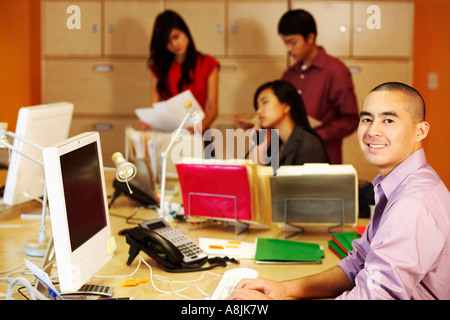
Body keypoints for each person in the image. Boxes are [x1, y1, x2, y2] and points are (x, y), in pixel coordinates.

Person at [229, 82, 450, 300]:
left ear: (420, 131)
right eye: (367, 119)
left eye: (388, 120)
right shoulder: (396, 185)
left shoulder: (413, 203)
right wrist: (284, 289)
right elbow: (357, 263)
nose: (373, 131)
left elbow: (375, 296)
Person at [278, 9, 359, 164]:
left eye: (293, 42)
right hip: (290, 158)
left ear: (310, 37)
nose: (289, 49)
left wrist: (314, 135)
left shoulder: (335, 70)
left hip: (323, 157)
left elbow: (350, 119)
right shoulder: (289, 74)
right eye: (285, 43)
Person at [143, 10, 220, 133]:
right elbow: (154, 104)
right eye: (167, 42)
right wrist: (147, 120)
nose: (174, 44)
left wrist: (202, 125)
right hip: (172, 135)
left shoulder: (208, 64)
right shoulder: (159, 67)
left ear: (185, 31)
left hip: (200, 133)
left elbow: (213, 109)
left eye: (176, 36)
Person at [248, 80, 329, 170]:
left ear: (286, 106)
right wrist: (259, 153)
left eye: (265, 102)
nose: (259, 111)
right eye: (258, 106)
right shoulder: (275, 144)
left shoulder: (308, 145)